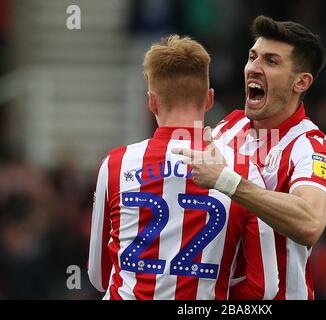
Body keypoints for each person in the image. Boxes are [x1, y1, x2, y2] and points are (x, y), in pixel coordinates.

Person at [87, 35, 278, 300]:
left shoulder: (115, 165)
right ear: (209, 99)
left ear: (151, 102)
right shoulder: (245, 172)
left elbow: (98, 276)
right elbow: (264, 288)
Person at [173, 16, 326, 300]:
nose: (254, 68)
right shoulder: (229, 126)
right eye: (252, 57)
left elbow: (310, 223)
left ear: (301, 82)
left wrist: (228, 180)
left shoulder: (309, 145)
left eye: (271, 61)